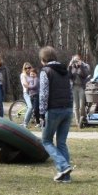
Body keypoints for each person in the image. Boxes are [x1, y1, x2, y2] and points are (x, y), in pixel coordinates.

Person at [39, 46, 73, 183]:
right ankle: (65, 176)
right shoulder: (66, 71)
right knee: (61, 142)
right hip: (68, 109)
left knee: (46, 140)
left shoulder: (45, 71)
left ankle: (64, 166)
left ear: (43, 60)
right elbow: (70, 91)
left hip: (53, 109)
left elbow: (43, 94)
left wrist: (41, 113)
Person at [68, 54, 90, 127]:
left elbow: (85, 75)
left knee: (82, 106)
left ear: (80, 60)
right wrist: (70, 66)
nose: (76, 61)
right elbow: (68, 76)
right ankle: (78, 122)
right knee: (75, 106)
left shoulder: (85, 66)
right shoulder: (72, 67)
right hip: (74, 87)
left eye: (77, 60)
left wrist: (81, 66)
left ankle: (83, 119)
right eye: (75, 60)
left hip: (82, 87)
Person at [19, 62, 35, 127]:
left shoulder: (32, 74)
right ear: (24, 69)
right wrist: (32, 86)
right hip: (27, 93)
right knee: (30, 107)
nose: (28, 69)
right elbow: (25, 84)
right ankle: (25, 123)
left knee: (35, 107)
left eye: (29, 68)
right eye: (26, 68)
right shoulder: (23, 75)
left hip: (33, 93)